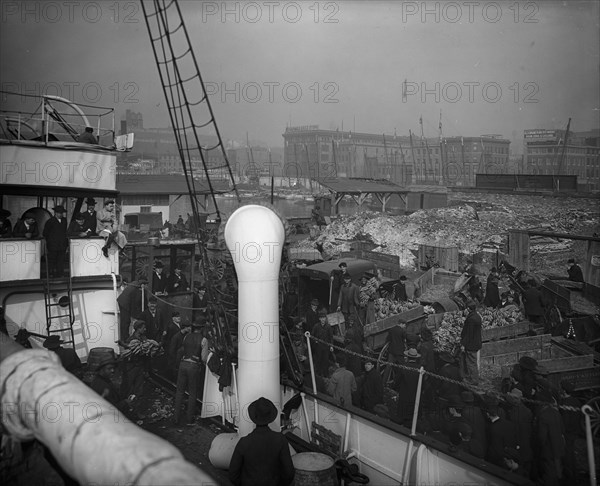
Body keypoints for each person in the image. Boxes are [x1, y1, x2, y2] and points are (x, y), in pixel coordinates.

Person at [229, 397, 295, 486]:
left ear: (254, 417)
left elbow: (233, 475)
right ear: (270, 416)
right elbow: (289, 472)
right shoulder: (281, 440)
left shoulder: (244, 442)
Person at [173, 319, 204, 425]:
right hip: (193, 367)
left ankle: (176, 418)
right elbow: (204, 358)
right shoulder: (203, 340)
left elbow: (183, 350)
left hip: (183, 364)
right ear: (201, 328)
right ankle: (189, 419)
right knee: (192, 393)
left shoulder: (186, 337)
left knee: (179, 391)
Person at [533, 389, 565, 486]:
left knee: (549, 473)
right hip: (559, 447)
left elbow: (542, 437)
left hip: (548, 450)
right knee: (557, 470)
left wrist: (539, 447)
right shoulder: (556, 412)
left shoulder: (543, 415)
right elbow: (562, 429)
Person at [43, 205, 69, 278]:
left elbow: (64, 232)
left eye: (62, 213)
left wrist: (65, 244)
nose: (60, 214)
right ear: (55, 213)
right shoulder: (50, 221)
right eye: (59, 213)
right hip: (53, 245)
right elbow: (45, 233)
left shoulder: (64, 220)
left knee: (61, 260)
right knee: (52, 260)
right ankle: (50, 274)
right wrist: (51, 241)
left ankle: (60, 274)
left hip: (62, 244)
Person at [461, 302, 482, 384]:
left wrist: (463, 344)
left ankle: (473, 380)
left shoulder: (471, 319)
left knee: (471, 362)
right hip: (476, 342)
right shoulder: (477, 316)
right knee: (473, 362)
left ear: (468, 309)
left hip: (471, 344)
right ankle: (474, 378)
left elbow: (469, 333)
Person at [311, 308, 333, 377]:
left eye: (324, 318)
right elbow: (312, 336)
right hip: (318, 347)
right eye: (321, 318)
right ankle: (318, 375)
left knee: (325, 361)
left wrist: (331, 346)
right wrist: (315, 341)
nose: (323, 319)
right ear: (319, 319)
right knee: (318, 361)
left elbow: (331, 337)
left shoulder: (328, 327)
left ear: (325, 319)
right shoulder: (316, 326)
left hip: (326, 347)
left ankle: (325, 374)